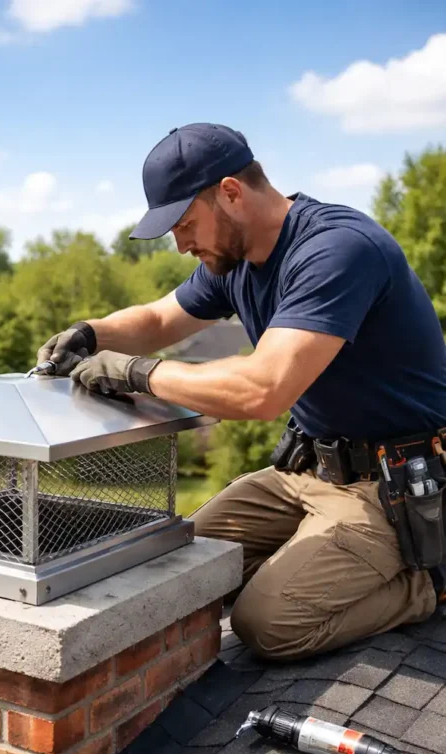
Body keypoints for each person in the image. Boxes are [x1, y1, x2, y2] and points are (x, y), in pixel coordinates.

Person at [35, 123, 446, 661]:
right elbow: (160, 318)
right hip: (306, 472)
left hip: (393, 489)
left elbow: (263, 388)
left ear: (230, 192)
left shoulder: (336, 250)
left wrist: (135, 373)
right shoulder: (234, 260)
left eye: (185, 225)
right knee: (175, 567)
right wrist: (92, 333)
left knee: (267, 623)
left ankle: (429, 583)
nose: (181, 245)